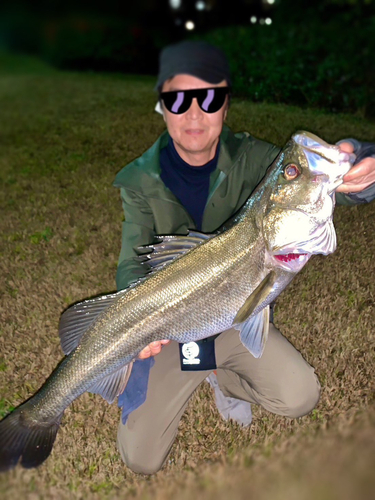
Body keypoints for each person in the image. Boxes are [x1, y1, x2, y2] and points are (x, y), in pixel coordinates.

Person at [113, 40, 375, 475]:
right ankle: (199, 371)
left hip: (235, 318)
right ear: (161, 106)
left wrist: (359, 159)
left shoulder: (252, 158)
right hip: (171, 328)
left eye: (209, 97)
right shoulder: (140, 180)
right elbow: (131, 262)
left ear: (225, 106)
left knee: (299, 396)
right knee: (140, 459)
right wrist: (137, 327)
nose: (194, 113)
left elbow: (315, 182)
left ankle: (222, 376)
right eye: (177, 100)